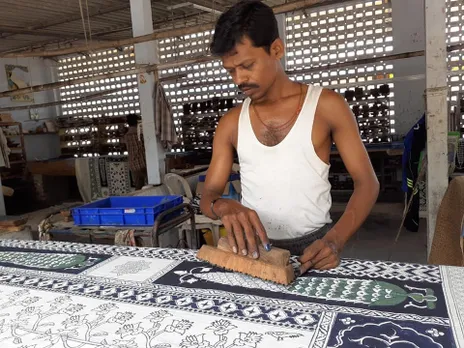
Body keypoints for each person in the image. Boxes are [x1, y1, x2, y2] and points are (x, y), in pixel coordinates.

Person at [199, 1, 379, 274]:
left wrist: (334, 241)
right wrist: (224, 205)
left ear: (276, 49)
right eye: (231, 71)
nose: (239, 79)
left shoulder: (326, 106)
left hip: (315, 248)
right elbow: (208, 195)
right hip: (253, 249)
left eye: (247, 65)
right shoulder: (231, 123)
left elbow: (367, 183)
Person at [124, 113, 147, 190]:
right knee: (148, 187)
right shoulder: (139, 134)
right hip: (142, 163)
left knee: (138, 187)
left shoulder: (126, 135)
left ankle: (138, 200)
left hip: (133, 165)